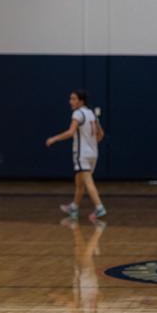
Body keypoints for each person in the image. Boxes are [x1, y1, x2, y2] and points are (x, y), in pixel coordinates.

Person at [46, 90, 107, 221]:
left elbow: (70, 132)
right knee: (80, 183)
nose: (70, 101)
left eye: (73, 99)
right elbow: (101, 135)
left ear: (81, 101)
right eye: (71, 99)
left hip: (82, 154)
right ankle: (74, 207)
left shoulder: (78, 113)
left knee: (88, 182)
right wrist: (90, 143)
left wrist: (54, 139)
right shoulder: (91, 113)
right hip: (93, 154)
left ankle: (99, 207)